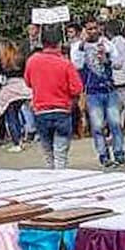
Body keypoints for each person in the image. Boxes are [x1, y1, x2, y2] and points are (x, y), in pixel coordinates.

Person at [24, 26, 83, 170]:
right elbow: (77, 88)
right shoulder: (65, 63)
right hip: (62, 110)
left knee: (48, 154)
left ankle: (50, 176)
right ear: (59, 43)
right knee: (61, 154)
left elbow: (28, 82)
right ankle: (60, 176)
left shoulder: (32, 61)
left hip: (41, 111)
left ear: (41, 42)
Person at [71, 18, 125, 168]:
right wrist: (83, 48)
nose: (92, 31)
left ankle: (119, 153)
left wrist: (107, 58)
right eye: (89, 29)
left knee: (115, 123)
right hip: (92, 92)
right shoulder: (78, 46)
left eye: (95, 28)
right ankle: (103, 155)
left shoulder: (108, 44)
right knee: (97, 126)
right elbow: (76, 65)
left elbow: (118, 63)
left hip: (109, 89)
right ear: (84, 30)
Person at [0, 41, 31, 153]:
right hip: (23, 87)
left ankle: (17, 142)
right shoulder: (20, 58)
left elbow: (0, 79)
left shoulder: (2, 62)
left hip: (9, 90)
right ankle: (25, 135)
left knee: (11, 118)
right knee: (24, 113)